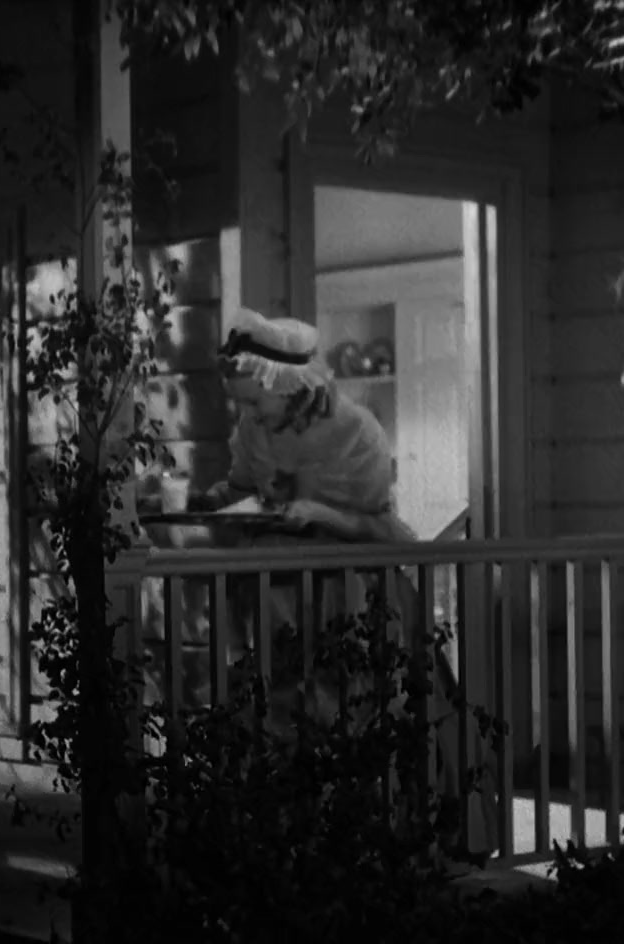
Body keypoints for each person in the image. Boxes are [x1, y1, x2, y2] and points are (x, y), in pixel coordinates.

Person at [192, 305, 499, 862]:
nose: (246, 414)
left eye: (253, 402)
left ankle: (385, 839)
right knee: (278, 710)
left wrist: (319, 514)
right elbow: (241, 488)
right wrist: (212, 500)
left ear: (284, 385)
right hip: (277, 598)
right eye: (240, 404)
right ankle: (286, 845)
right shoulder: (253, 432)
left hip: (350, 595)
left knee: (361, 708)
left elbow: (378, 527)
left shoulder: (355, 431)